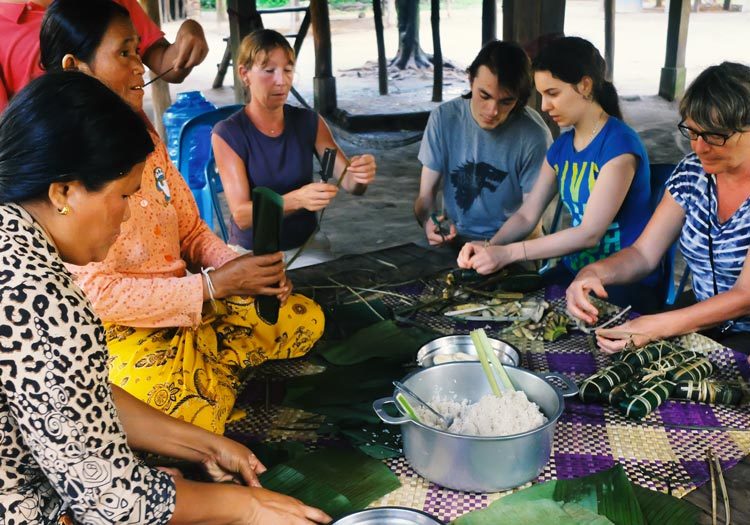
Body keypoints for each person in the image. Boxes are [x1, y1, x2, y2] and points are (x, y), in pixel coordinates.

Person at [0, 71, 330, 525]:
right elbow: (112, 501)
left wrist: (207, 444)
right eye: (122, 196)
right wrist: (249, 508)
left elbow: (81, 399)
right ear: (63, 192)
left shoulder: (16, 241)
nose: (128, 212)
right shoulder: (40, 296)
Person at [41, 0, 324, 435]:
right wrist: (211, 286)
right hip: (125, 332)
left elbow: (190, 229)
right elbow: (94, 293)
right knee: (174, 403)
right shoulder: (59, 166)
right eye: (125, 53)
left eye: (139, 50)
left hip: (192, 304)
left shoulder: (145, 136)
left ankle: (209, 370)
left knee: (303, 319)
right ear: (74, 65)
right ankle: (206, 376)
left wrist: (238, 270)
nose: (141, 66)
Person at [458, 37, 659, 312]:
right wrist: (490, 246)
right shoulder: (563, 146)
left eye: (552, 93)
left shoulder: (619, 145)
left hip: (620, 281)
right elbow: (527, 214)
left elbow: (589, 234)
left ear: (585, 85)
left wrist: (509, 253)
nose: (543, 106)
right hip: (573, 271)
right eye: (541, 95)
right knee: (501, 307)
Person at [567, 62, 750, 361]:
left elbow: (745, 296)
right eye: (692, 131)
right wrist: (592, 273)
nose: (699, 147)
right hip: (706, 321)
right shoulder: (693, 173)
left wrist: (654, 326)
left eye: (715, 136)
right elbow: (643, 254)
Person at [211, 29, 376, 266]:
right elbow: (242, 215)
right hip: (252, 253)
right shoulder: (228, 133)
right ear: (244, 74)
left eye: (288, 70)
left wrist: (360, 174)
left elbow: (348, 181)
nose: (282, 80)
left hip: (307, 247)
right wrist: (297, 200)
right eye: (269, 71)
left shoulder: (309, 123)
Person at [413, 40, 552, 248]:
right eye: (484, 95)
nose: (492, 111)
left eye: (506, 101)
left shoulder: (534, 136)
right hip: (454, 238)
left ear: (519, 99)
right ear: (470, 81)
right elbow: (425, 196)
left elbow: (529, 220)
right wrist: (428, 221)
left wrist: (491, 249)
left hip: (514, 246)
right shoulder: (443, 118)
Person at [0, 0, 208, 111]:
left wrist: (189, 34)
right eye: (124, 53)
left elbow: (166, 64)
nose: (140, 68)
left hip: (136, 153)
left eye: (133, 51)